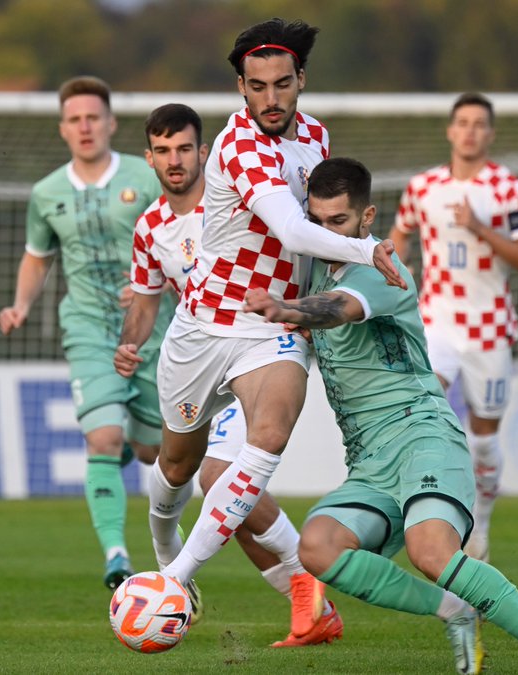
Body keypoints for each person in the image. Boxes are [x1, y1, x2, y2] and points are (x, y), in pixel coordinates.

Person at [244, 157, 518, 675]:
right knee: (317, 547)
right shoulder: (313, 262)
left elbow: (338, 308)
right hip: (369, 460)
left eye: (338, 222)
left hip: (422, 434)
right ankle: (453, 611)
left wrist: (285, 310)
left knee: (430, 551)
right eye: (315, 223)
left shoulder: (382, 268)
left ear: (367, 219)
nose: (324, 233)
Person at [122, 18, 403, 642]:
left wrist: (338, 276)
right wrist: (369, 250)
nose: (271, 99)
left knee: (266, 437)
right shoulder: (239, 144)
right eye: (257, 87)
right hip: (205, 324)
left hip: (274, 324)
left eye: (282, 84)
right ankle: (166, 552)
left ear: (301, 80)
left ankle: (176, 581)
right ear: (241, 89)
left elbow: (323, 222)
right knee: (176, 468)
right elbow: (292, 231)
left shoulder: (316, 136)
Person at [116, 103, 341, 646]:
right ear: (150, 158)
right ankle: (170, 562)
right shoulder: (150, 227)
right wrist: (129, 342)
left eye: (186, 148)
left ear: (205, 151)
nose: (176, 161)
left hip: (263, 343)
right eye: (164, 150)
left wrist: (308, 306)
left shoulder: (245, 196)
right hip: (199, 352)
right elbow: (146, 301)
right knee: (176, 467)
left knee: (220, 478)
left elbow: (305, 233)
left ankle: (303, 598)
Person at [0, 76, 167, 589]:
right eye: (75, 119)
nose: (85, 126)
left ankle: (125, 452)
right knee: (103, 436)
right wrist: (21, 304)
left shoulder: (148, 175)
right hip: (88, 327)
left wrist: (149, 283)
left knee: (153, 453)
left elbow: (184, 236)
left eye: (93, 117)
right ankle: (116, 556)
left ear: (111, 123)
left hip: (154, 330)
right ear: (62, 129)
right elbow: (38, 255)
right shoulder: (46, 193)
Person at [391, 92, 518, 562]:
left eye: (480, 124)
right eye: (463, 122)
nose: (471, 131)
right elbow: (399, 238)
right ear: (450, 131)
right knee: (423, 412)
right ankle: (424, 518)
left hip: (490, 328)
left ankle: (483, 529)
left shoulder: (509, 189)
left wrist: (479, 227)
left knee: (484, 438)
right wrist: (396, 275)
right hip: (436, 321)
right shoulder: (422, 187)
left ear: (490, 134)